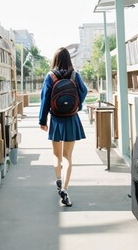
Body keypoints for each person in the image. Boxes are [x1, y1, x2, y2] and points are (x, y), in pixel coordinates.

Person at [39, 47, 88, 207]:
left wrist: (43, 120)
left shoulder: (50, 76)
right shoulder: (75, 75)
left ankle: (58, 179)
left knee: (56, 155)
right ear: (69, 59)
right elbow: (84, 91)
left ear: (55, 59)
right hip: (71, 118)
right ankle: (65, 190)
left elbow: (45, 99)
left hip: (56, 119)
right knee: (68, 156)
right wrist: (78, 106)